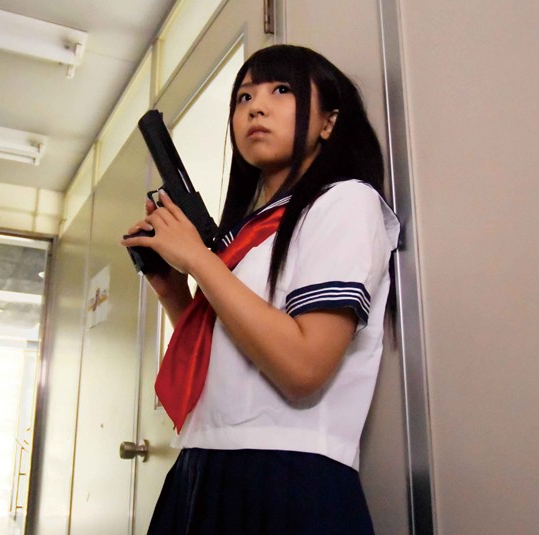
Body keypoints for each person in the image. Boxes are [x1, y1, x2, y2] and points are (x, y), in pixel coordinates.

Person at [121, 45, 399, 534]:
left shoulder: (345, 202)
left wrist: (199, 260)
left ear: (329, 122)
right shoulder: (249, 233)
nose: (256, 107)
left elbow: (303, 367)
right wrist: (173, 289)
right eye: (244, 97)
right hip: (199, 465)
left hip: (286, 473)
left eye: (281, 90)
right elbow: (228, 354)